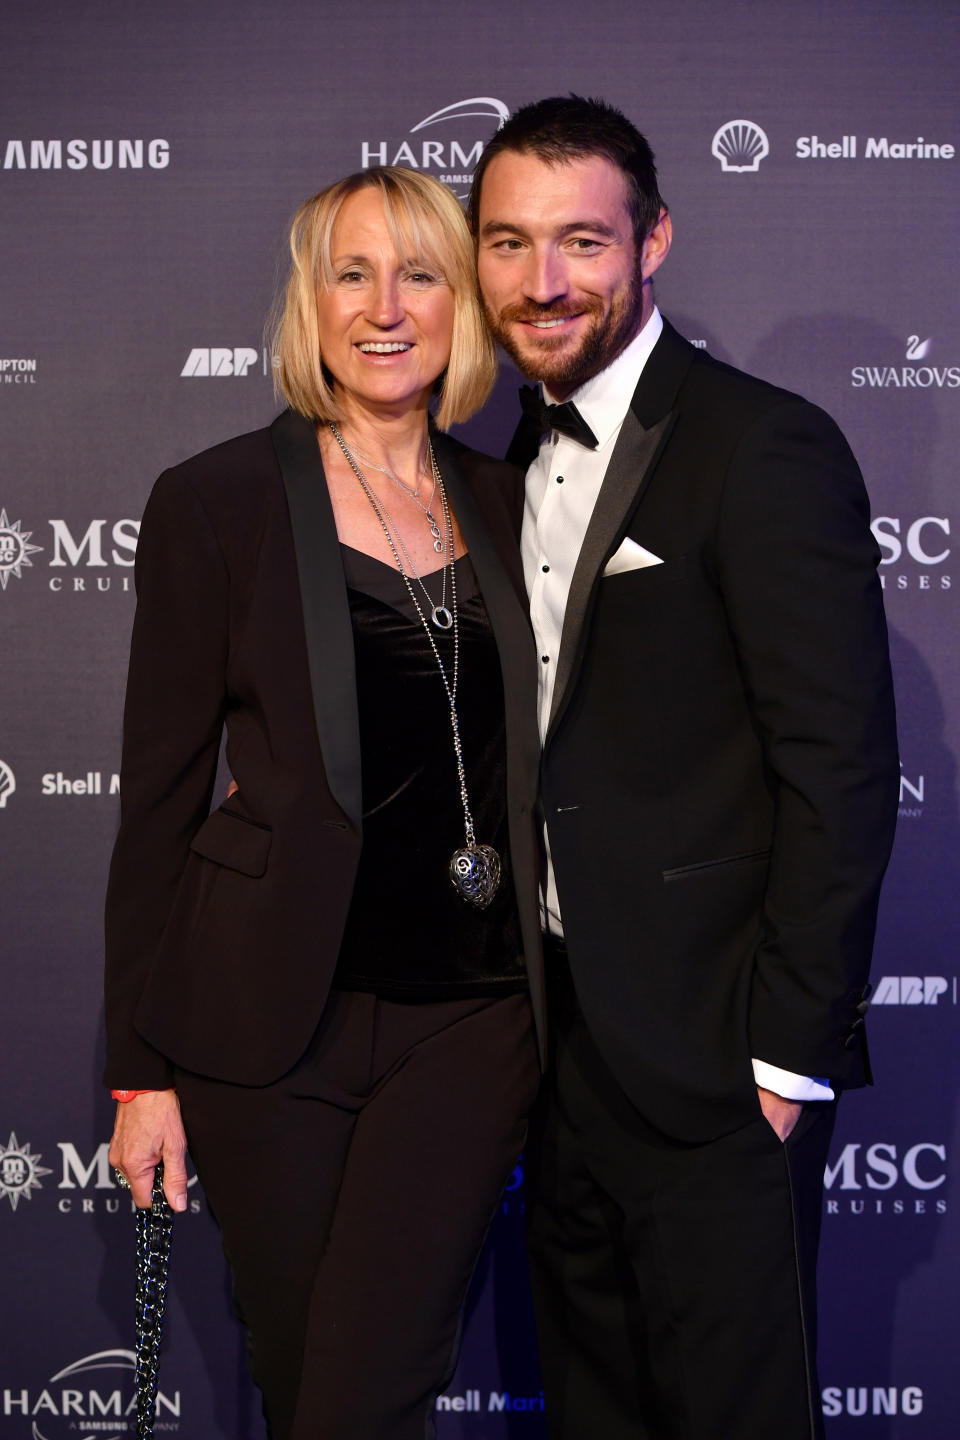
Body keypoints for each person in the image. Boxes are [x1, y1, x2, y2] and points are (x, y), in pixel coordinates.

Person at [469, 96, 899, 1440]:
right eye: (511, 242)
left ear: (654, 238)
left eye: (583, 240)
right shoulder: (491, 466)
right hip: (554, 1057)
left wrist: (783, 1061)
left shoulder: (759, 445)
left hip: (718, 1065)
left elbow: (839, 765)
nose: (545, 283)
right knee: (594, 1413)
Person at [104, 165, 546, 1440]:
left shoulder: (517, 505)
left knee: (368, 1386)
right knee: (305, 1377)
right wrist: (141, 1075)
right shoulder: (219, 501)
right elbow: (161, 802)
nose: (384, 306)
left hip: (467, 1021)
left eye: (421, 273)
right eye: (352, 273)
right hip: (262, 1030)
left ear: (465, 305)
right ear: (312, 301)